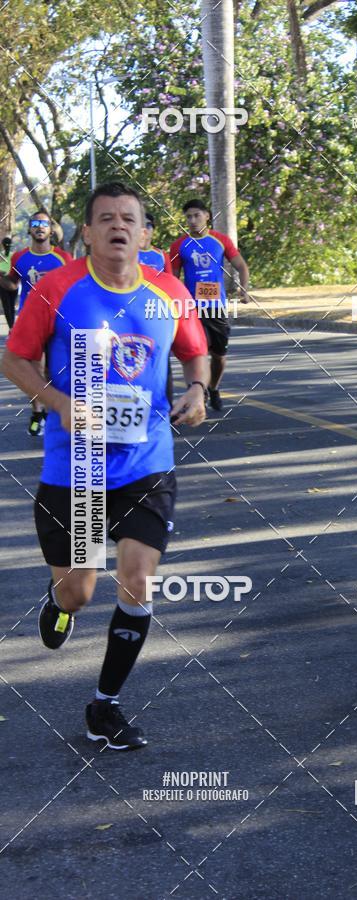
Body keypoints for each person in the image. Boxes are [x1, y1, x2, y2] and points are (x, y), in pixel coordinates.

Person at [1, 181, 208, 750]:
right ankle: (57, 602)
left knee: (138, 580)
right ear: (87, 233)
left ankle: (105, 705)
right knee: (80, 593)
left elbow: (195, 350)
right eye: (106, 218)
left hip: (148, 462)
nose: (119, 225)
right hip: (77, 472)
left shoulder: (169, 292)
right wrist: (62, 404)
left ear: (144, 234)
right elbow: (14, 358)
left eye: (130, 218)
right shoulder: (57, 289)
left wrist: (196, 389)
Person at [170, 199, 249, 412]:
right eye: (188, 217)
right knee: (198, 351)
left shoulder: (220, 241)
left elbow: (241, 265)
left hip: (216, 306)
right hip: (191, 308)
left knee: (219, 356)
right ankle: (200, 391)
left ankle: (213, 387)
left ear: (207, 216)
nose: (193, 220)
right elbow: (173, 278)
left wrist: (244, 289)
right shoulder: (179, 245)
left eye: (197, 215)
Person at [0, 210, 73, 435]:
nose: (39, 227)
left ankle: (60, 410)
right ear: (29, 229)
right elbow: (12, 285)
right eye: (35, 223)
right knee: (34, 368)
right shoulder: (19, 258)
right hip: (30, 319)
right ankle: (37, 413)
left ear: (51, 230)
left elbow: (73, 286)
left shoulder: (63, 258)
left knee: (56, 369)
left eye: (44, 223)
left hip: (59, 319)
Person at [0, 236, 17, 331]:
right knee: (12, 305)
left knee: (6, 306)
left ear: (2, 245)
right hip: (14, 283)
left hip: (3, 283)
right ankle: (12, 326)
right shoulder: (14, 255)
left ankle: (11, 327)